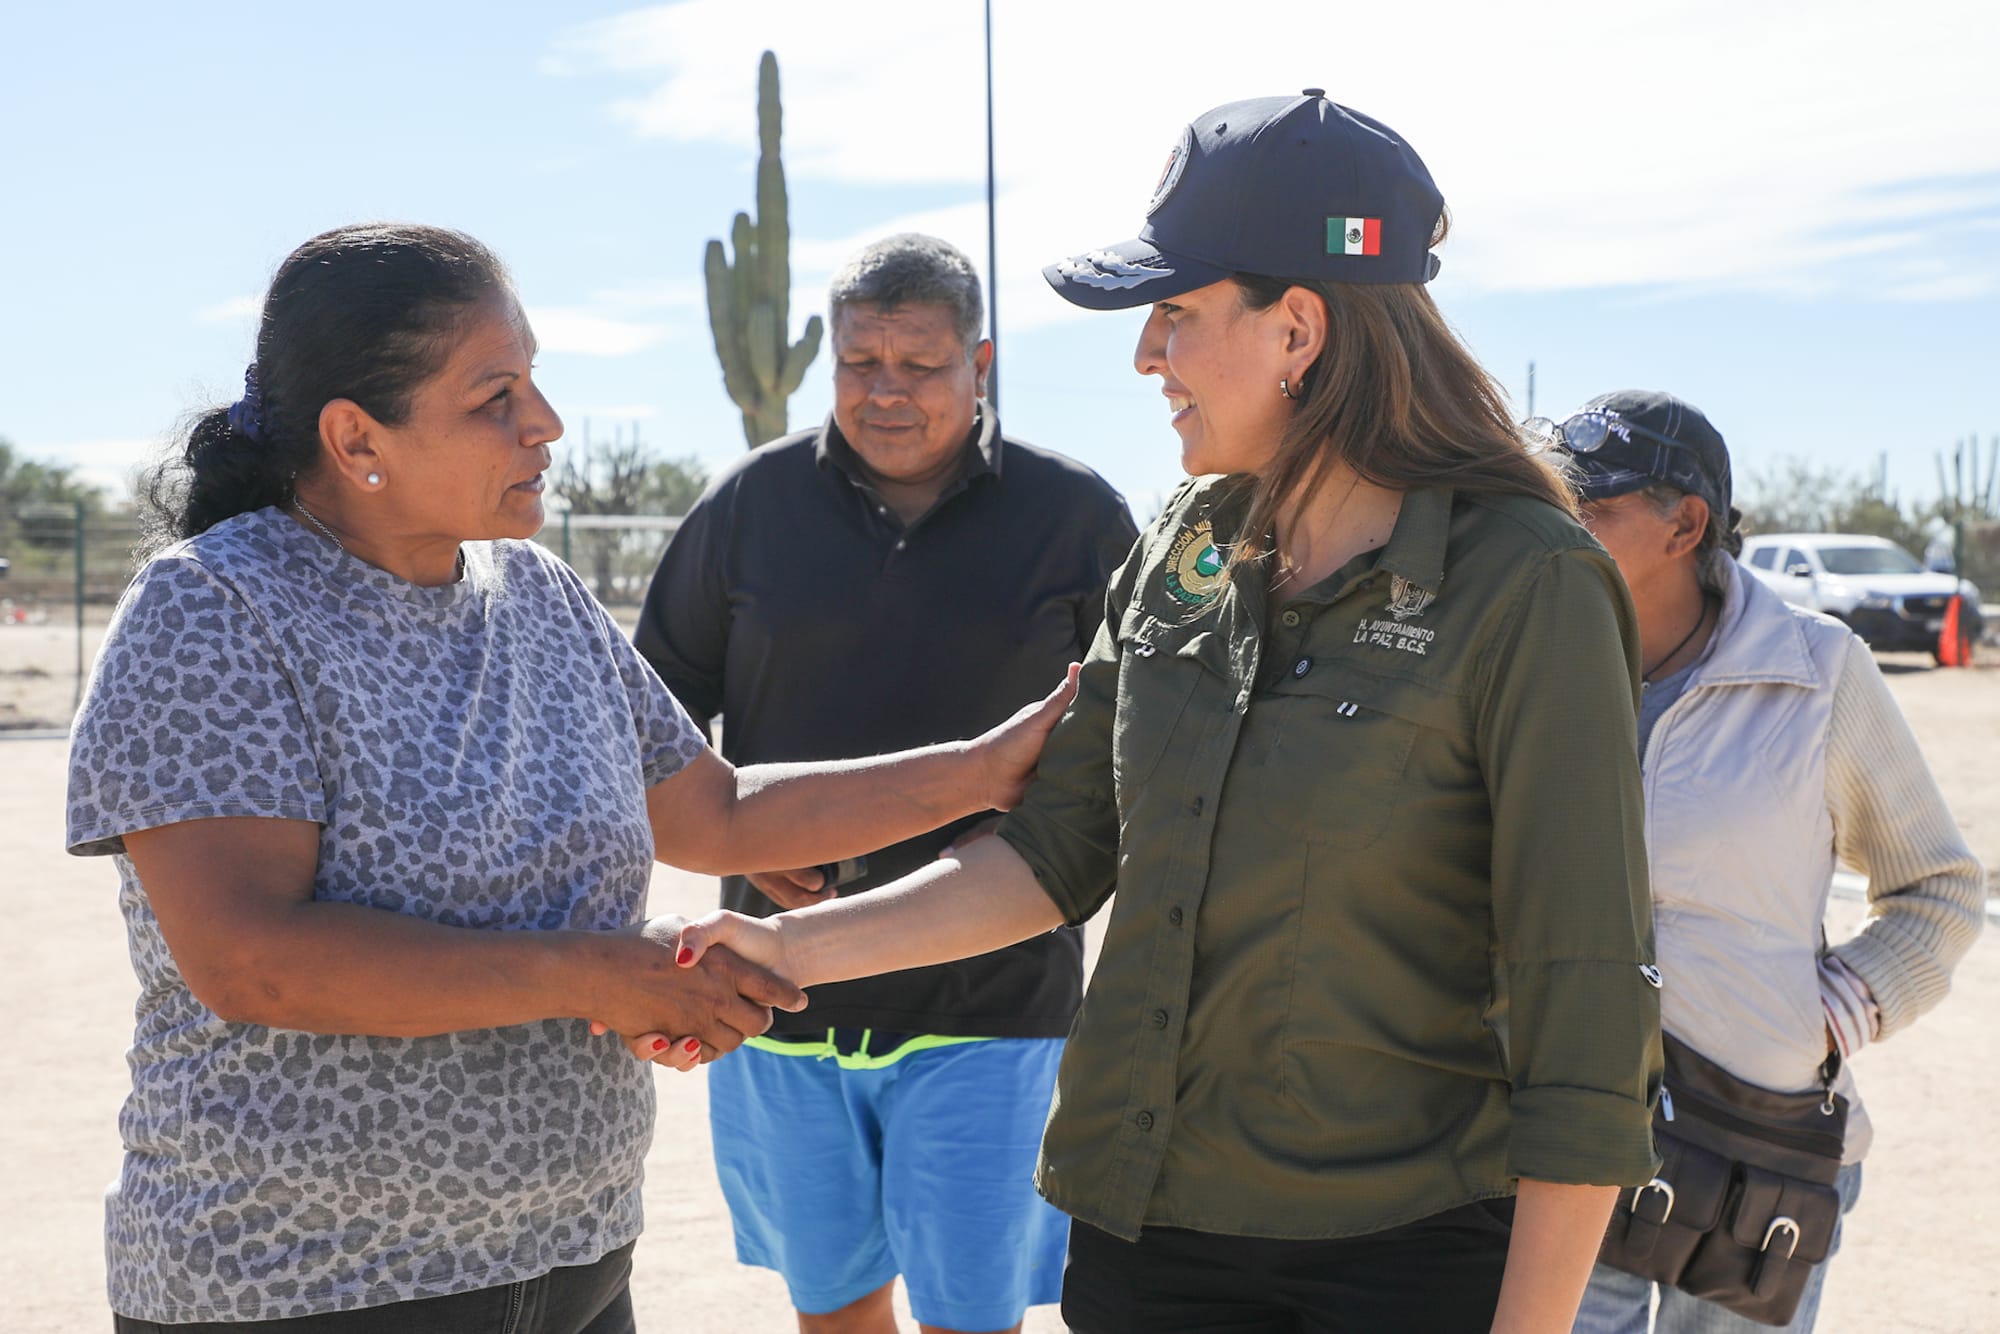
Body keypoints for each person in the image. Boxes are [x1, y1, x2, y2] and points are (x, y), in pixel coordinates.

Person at [646, 91, 1666, 1333]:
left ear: (1297, 328)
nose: (1144, 358)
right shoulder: (1190, 541)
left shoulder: (1527, 582)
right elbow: (1058, 844)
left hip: (1389, 1264)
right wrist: (791, 949)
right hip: (1145, 1241)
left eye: (1174, 316)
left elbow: (1585, 1002)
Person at [64, 222, 1075, 1334]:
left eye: (533, 380)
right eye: (494, 395)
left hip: (574, 1262)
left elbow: (719, 809)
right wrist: (600, 972)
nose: (542, 423)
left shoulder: (536, 594)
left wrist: (981, 769)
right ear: (357, 435)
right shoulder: (215, 609)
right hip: (311, 1281)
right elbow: (256, 960)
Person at [633, 233, 1136, 1334]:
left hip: (993, 1005)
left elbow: (1132, 740)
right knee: (833, 1313)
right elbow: (649, 714)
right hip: (776, 1003)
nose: (886, 391)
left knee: (971, 1315)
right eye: (861, 363)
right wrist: (735, 839)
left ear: (981, 361)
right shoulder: (746, 506)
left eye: (919, 363)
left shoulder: (1077, 517)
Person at [1541, 391, 1986, 1334]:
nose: (1556, 527)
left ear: (1685, 525)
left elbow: (1939, 890)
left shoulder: (1817, 672)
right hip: (1566, 1142)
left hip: (1755, 1154)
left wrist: (1820, 1020)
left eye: (1589, 507)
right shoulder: (1538, 665)